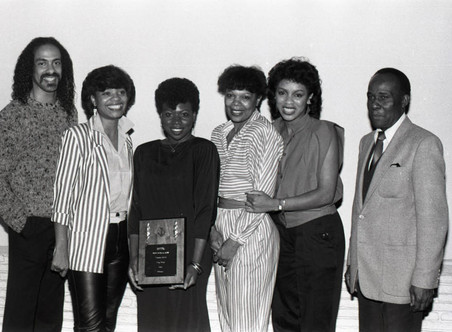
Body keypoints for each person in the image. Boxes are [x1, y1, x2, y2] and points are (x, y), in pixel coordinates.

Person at [0, 37, 77, 332]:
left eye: (57, 63)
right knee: (21, 316)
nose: (51, 70)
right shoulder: (13, 115)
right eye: (42, 62)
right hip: (29, 228)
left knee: (50, 315)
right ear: (30, 68)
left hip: (62, 228)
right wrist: (22, 224)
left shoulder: (68, 115)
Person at [345, 68, 449, 332]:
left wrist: (425, 279)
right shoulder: (366, 142)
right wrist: (353, 265)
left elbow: (433, 220)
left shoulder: (423, 143)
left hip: (403, 283)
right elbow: (361, 211)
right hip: (367, 279)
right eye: (370, 97)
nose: (375, 104)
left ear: (404, 101)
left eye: (384, 97)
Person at [246, 58, 345, 332]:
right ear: (273, 96)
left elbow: (326, 193)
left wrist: (276, 204)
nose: (289, 101)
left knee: (315, 322)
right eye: (282, 92)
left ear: (310, 98)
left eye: (298, 94)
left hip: (317, 234)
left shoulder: (324, 131)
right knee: (284, 319)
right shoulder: (269, 131)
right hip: (280, 235)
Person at [128, 78, 219, 332]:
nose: (176, 121)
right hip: (151, 255)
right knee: (152, 321)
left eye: (184, 114)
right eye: (169, 114)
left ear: (195, 115)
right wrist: (134, 259)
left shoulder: (204, 150)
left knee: (188, 321)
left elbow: (205, 212)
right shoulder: (144, 153)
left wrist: (195, 264)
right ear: (160, 115)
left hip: (192, 253)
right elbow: (136, 209)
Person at [51, 65, 135, 331]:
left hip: (121, 238)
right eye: (107, 93)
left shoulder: (128, 140)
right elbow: (62, 196)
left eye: (121, 92)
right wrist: (61, 247)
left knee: (108, 322)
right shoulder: (77, 136)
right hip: (87, 240)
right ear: (93, 100)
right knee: (90, 325)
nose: (116, 99)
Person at [211, 65, 284, 332]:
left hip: (251, 232)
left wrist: (235, 240)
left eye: (245, 97)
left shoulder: (264, 133)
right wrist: (212, 230)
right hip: (221, 227)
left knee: (247, 322)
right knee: (228, 319)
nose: (236, 103)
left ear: (258, 100)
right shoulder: (219, 133)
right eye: (231, 95)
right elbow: (212, 188)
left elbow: (260, 196)